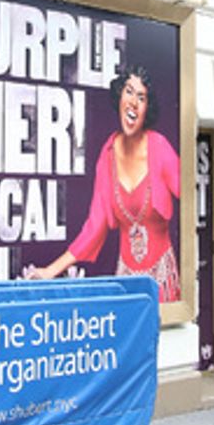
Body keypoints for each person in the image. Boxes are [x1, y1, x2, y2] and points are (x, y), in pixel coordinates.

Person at [26, 65, 181, 302]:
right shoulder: (107, 156)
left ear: (147, 108)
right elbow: (94, 227)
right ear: (119, 96)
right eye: (129, 92)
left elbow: (191, 198)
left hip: (162, 282)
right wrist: (50, 271)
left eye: (141, 98)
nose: (133, 103)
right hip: (126, 282)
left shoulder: (160, 148)